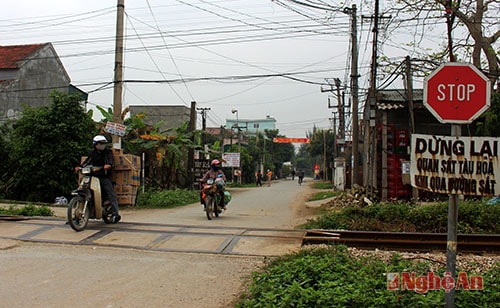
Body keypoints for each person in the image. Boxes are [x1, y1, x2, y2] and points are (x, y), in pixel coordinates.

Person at [76, 135, 121, 223]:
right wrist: (80, 167)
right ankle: (76, 216)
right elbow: (87, 162)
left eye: (104, 143)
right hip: (92, 176)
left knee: (111, 194)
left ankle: (116, 214)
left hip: (104, 176)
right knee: (81, 189)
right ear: (95, 144)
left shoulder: (108, 152)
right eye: (100, 143)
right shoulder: (92, 153)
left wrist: (108, 165)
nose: (102, 145)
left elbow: (110, 161)